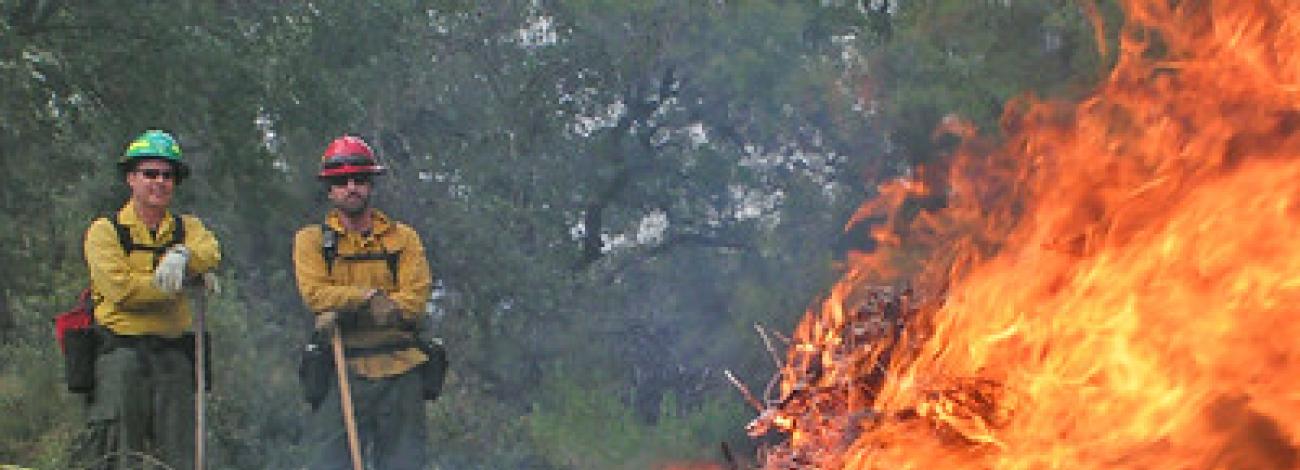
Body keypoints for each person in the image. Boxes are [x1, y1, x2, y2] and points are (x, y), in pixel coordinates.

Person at [73, 129, 222, 469]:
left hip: (174, 354)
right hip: (120, 355)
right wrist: (175, 283)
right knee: (121, 454)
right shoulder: (105, 231)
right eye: (149, 173)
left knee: (184, 454)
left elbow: (211, 250)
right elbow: (121, 291)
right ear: (131, 178)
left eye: (167, 175)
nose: (159, 182)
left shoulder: (188, 229)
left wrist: (184, 257)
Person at [293, 135, 434, 469]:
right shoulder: (311, 241)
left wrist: (346, 305)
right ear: (330, 189)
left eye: (359, 179)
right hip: (341, 369)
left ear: (371, 184)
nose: (351, 187)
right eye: (341, 181)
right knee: (328, 464)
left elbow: (415, 300)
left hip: (401, 370)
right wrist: (367, 299)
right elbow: (315, 294)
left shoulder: (404, 239)